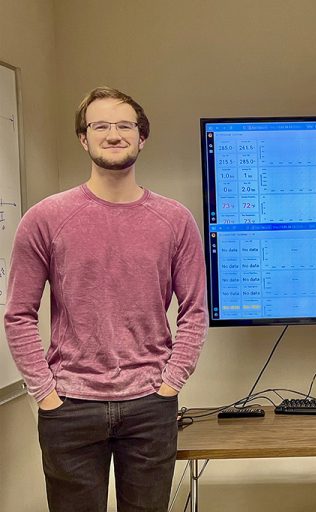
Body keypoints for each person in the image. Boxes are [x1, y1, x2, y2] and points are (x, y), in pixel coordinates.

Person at [3, 86, 208, 512]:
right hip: (70, 406)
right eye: (100, 125)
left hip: (150, 406)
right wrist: (45, 393)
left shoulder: (174, 220)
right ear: (84, 138)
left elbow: (194, 310)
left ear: (141, 137)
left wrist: (170, 384)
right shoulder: (46, 218)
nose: (113, 134)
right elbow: (18, 314)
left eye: (124, 125)